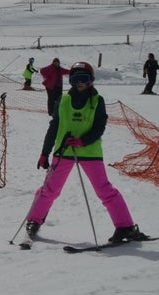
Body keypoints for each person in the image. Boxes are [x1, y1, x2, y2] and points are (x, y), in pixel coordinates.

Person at [26, 63, 149, 244]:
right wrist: (45, 153)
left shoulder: (97, 101)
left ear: (91, 80)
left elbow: (100, 127)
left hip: (90, 152)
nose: (80, 83)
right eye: (76, 79)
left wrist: (83, 141)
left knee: (104, 190)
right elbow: (54, 127)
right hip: (64, 151)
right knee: (49, 189)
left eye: (84, 79)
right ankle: (33, 221)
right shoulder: (64, 100)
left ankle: (125, 226)